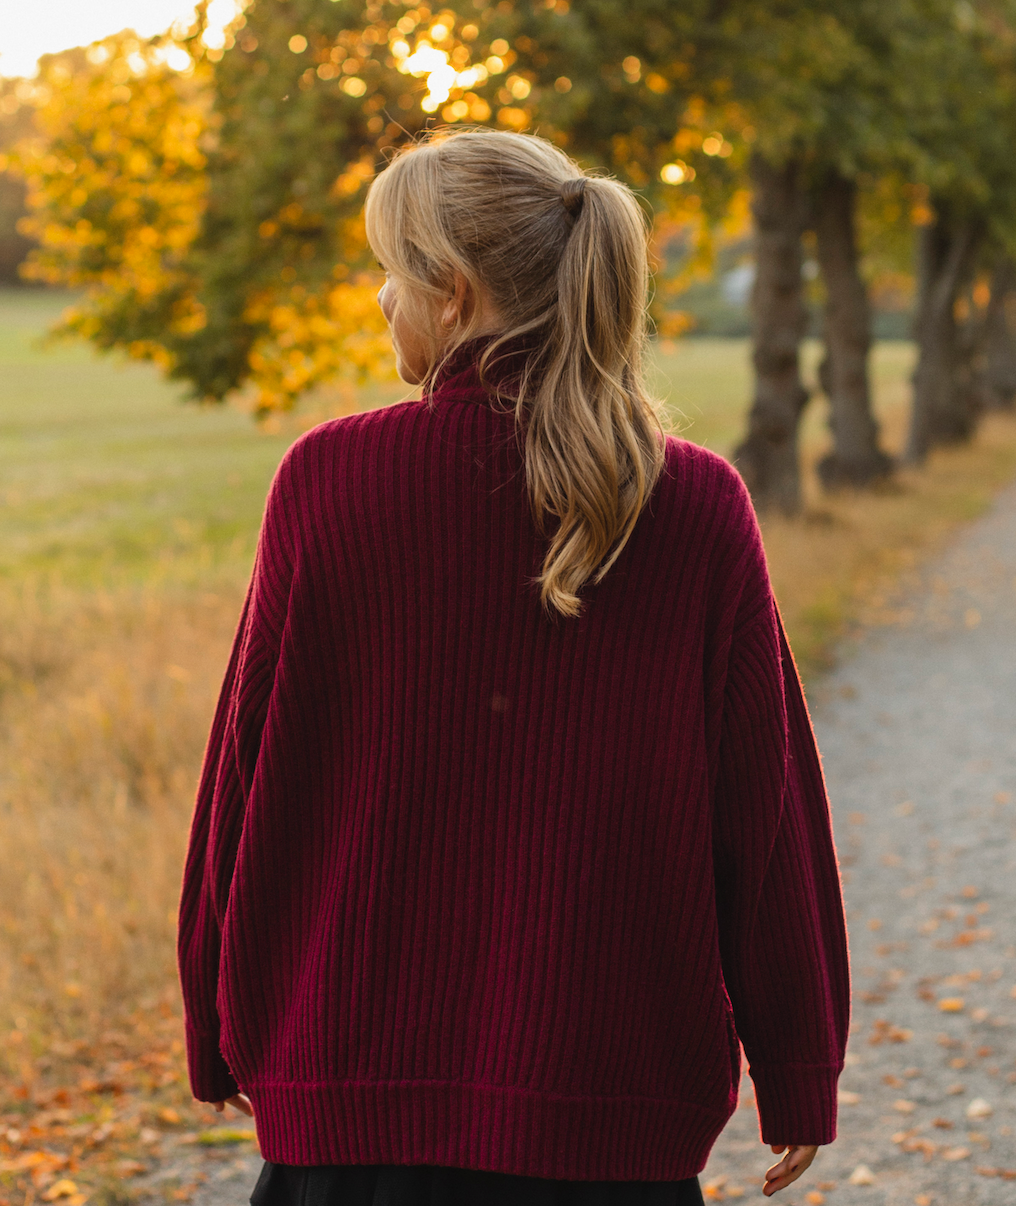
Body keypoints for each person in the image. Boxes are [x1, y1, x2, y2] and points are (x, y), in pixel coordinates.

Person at [177, 128, 850, 1206]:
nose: (381, 303)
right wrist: (796, 1065)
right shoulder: (693, 500)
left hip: (353, 1108)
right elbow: (765, 818)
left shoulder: (327, 480)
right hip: (614, 1124)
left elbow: (243, 783)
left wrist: (217, 1020)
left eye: (389, 275)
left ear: (447, 291)